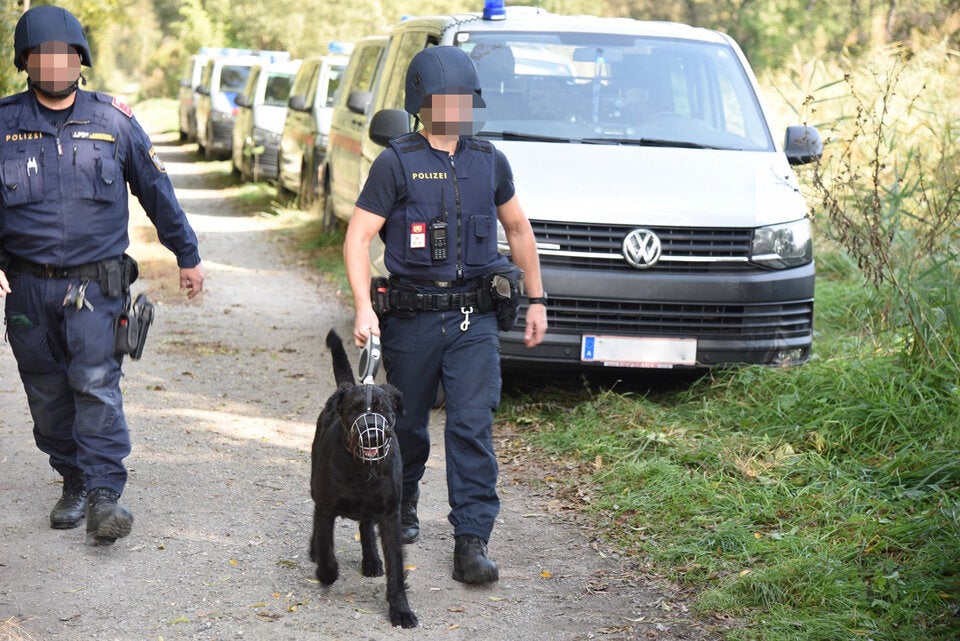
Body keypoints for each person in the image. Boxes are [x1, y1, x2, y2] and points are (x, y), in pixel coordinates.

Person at [0, 5, 204, 546]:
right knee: (45, 392)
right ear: (25, 62)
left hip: (96, 286)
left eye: (64, 56)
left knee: (95, 384)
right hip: (24, 288)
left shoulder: (114, 120)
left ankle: (104, 495)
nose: (54, 65)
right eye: (42, 57)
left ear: (80, 61)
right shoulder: (2, 124)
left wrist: (187, 253)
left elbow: (157, 188)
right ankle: (71, 477)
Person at [343, 46, 547, 584]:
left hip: (474, 321)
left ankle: (471, 539)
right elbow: (359, 236)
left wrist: (538, 300)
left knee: (472, 425)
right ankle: (402, 503)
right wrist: (364, 306)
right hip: (411, 320)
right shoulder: (396, 162)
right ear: (423, 103)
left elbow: (520, 230)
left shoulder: (489, 161)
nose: (455, 109)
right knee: (407, 427)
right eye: (444, 99)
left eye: (463, 99)